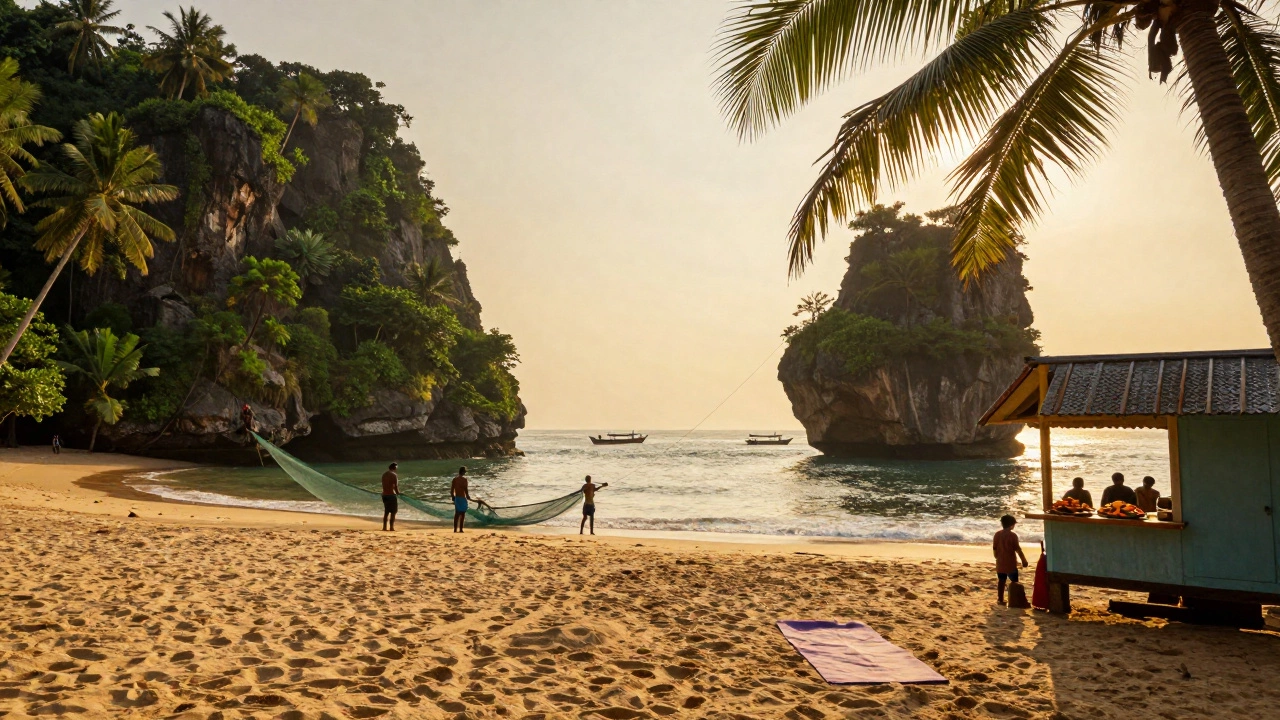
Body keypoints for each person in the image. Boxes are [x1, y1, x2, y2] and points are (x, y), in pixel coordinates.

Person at [993, 514, 1028, 606]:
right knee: (1014, 582)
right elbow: (1018, 549)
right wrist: (1024, 560)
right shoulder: (1013, 535)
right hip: (1011, 563)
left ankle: (1000, 600)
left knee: (1001, 581)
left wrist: (997, 557)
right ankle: (1013, 600)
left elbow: (995, 549)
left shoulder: (997, 534)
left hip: (1000, 562)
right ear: (1012, 525)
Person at [451, 466, 479, 533]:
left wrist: (452, 496)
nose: (465, 473)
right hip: (462, 498)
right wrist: (468, 496)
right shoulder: (464, 480)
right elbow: (465, 489)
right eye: (464, 472)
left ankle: (455, 529)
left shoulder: (455, 479)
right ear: (463, 472)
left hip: (457, 498)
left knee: (457, 514)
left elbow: (452, 489)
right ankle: (460, 529)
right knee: (462, 514)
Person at [381, 462, 399, 532]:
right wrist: (398, 493)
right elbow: (395, 487)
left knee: (386, 512)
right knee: (393, 511)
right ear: (394, 468)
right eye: (396, 467)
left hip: (384, 495)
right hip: (391, 495)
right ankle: (391, 527)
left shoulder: (384, 474)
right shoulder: (394, 475)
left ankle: (384, 527)